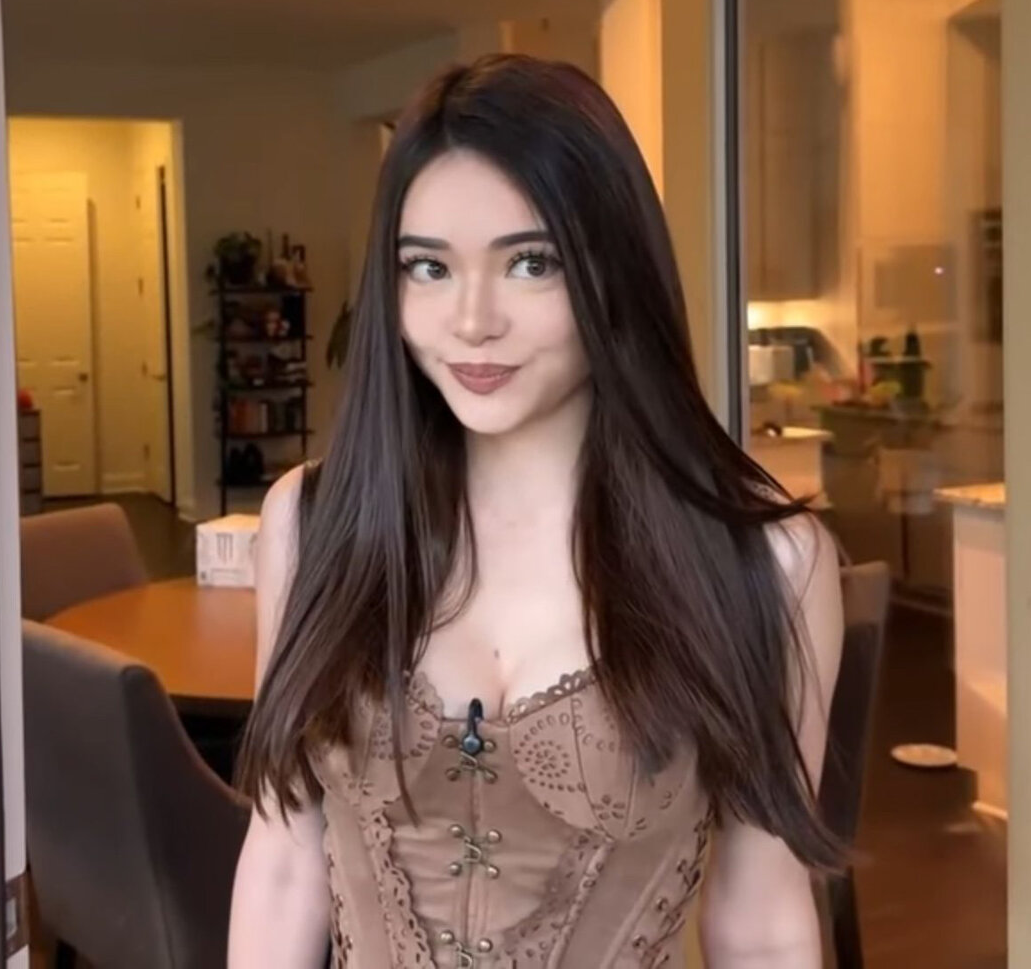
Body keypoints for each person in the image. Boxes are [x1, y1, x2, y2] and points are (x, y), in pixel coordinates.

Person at [226, 54, 846, 968]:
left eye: (530, 262)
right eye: (428, 267)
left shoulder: (767, 562)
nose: (472, 320)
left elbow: (761, 921)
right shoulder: (311, 524)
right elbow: (284, 863)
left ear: (616, 269)